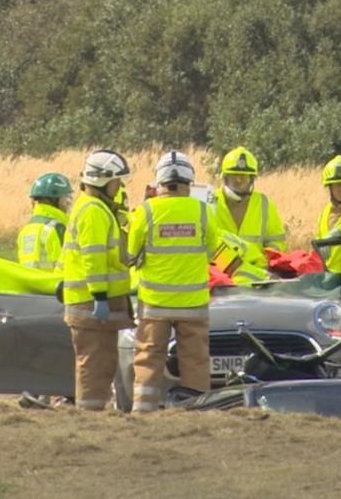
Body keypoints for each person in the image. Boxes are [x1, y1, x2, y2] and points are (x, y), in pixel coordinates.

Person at [127, 151, 219, 412]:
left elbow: (130, 254)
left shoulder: (146, 211)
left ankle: (143, 412)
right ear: (189, 182)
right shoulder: (202, 211)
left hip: (155, 305)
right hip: (193, 304)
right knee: (196, 361)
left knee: (148, 360)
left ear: (159, 182)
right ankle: (195, 412)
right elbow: (211, 251)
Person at [62, 150, 133, 410]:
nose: (120, 187)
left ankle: (93, 410)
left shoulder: (94, 208)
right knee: (94, 365)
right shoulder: (93, 211)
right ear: (104, 180)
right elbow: (94, 257)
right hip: (90, 302)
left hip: (87, 301)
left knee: (100, 363)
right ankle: (90, 416)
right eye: (117, 181)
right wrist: (100, 296)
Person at [214, 146, 286, 268]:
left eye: (244, 177)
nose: (239, 181)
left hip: (257, 276)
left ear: (252, 179)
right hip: (221, 276)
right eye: (234, 177)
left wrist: (263, 263)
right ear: (225, 178)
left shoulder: (264, 203)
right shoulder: (211, 201)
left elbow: (277, 242)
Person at [17, 173, 72, 271]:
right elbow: (66, 264)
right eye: (65, 198)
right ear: (55, 199)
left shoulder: (26, 229)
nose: (68, 203)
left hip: (28, 284)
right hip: (53, 284)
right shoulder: (57, 228)